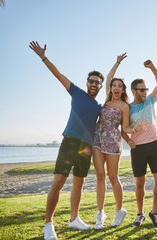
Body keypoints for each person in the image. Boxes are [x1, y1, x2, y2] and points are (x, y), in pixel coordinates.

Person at [29, 41, 103, 240]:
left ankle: (74, 219)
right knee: (58, 182)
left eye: (97, 82)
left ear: (101, 85)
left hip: (86, 147)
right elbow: (58, 75)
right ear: (87, 82)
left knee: (78, 184)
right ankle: (48, 224)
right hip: (69, 142)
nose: (94, 84)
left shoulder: (99, 107)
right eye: (91, 80)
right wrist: (43, 57)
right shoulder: (76, 92)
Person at [92, 53, 145, 229]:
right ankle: (100, 214)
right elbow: (107, 77)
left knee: (113, 177)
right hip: (98, 140)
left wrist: (133, 131)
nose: (115, 88)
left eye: (119, 86)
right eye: (114, 85)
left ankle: (119, 210)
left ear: (123, 90)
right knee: (100, 176)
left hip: (113, 143)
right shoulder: (106, 101)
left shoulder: (124, 106)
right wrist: (117, 63)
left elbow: (125, 128)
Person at [129, 60, 157, 229]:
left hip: (154, 145)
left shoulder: (150, 101)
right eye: (142, 90)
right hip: (137, 148)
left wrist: (152, 67)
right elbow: (124, 128)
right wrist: (130, 134)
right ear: (134, 91)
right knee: (140, 183)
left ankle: (154, 212)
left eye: (146, 89)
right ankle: (140, 213)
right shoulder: (128, 108)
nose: (145, 92)